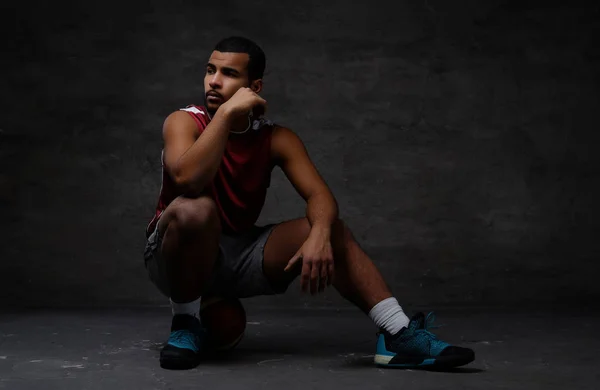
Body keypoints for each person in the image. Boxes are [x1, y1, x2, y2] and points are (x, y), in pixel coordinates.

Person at [144, 36, 475, 371]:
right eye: (210, 70)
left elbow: (320, 196)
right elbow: (188, 180)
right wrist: (227, 114)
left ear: (253, 86)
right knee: (195, 209)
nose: (214, 81)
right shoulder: (184, 120)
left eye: (228, 73)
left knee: (331, 231)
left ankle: (397, 334)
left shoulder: (276, 138)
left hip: (237, 254)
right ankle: (184, 323)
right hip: (174, 251)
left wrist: (319, 232)